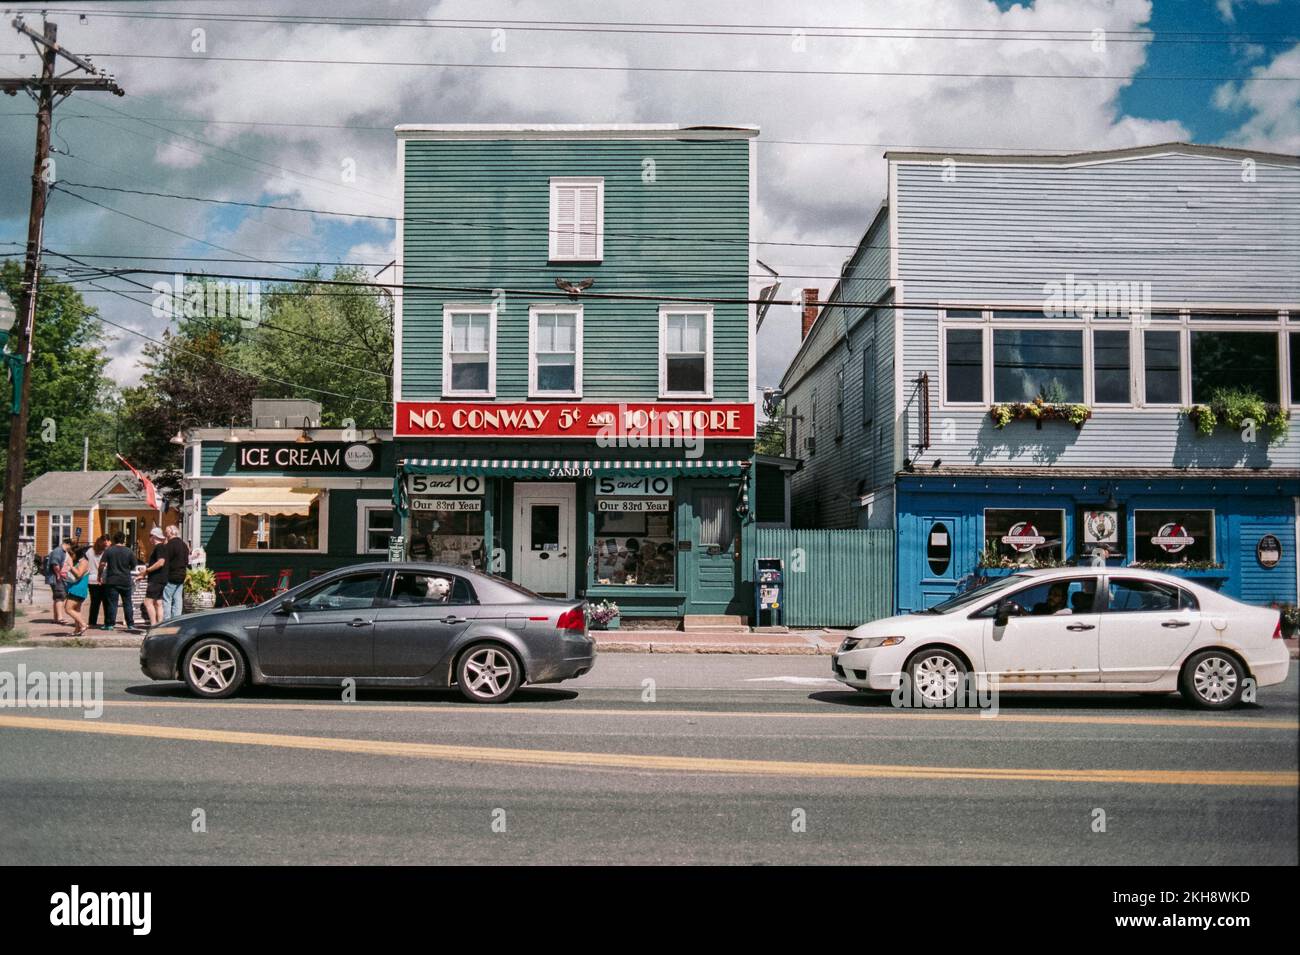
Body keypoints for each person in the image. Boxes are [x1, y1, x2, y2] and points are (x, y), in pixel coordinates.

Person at [100, 531, 141, 634]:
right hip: (125, 580)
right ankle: (130, 624)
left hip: (112, 580)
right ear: (124, 540)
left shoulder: (109, 551)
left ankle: (110, 624)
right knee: (127, 602)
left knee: (112, 603)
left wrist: (99, 575)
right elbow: (134, 565)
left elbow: (102, 564)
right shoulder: (129, 551)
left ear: (114, 540)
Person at [140, 526, 168, 627]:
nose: (149, 538)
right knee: (158, 603)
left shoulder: (159, 547)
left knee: (147, 602)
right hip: (162, 579)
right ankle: (160, 626)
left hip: (156, 579)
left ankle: (153, 626)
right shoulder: (163, 547)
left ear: (154, 536)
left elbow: (161, 562)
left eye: (150, 536)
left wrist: (147, 570)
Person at [162, 524, 190, 621]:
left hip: (171, 575)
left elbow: (165, 561)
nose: (165, 534)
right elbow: (187, 561)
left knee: (167, 598)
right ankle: (177, 620)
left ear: (171, 533)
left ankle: (167, 620)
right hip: (182, 574)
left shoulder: (169, 545)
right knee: (178, 598)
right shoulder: (184, 545)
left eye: (166, 532)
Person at [64, 544, 92, 636]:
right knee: (76, 610)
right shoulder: (78, 561)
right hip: (75, 588)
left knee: (68, 609)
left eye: (71, 554)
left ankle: (83, 624)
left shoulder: (83, 562)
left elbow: (79, 574)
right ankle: (77, 629)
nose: (70, 556)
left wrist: (71, 567)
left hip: (78, 589)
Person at [44, 537, 70, 625]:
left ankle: (56, 618)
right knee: (60, 596)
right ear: (67, 544)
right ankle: (60, 618)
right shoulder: (58, 551)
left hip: (55, 577)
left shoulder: (60, 551)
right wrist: (58, 574)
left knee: (57, 597)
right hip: (56, 577)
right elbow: (55, 564)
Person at [85, 535, 109, 630]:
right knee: (106, 602)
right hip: (103, 579)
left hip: (91, 579)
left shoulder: (89, 551)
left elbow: (85, 563)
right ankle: (107, 622)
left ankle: (92, 622)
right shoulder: (106, 552)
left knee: (94, 602)